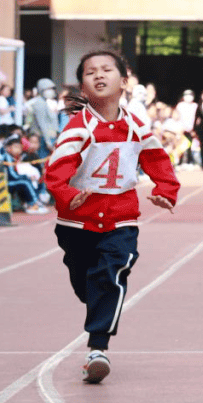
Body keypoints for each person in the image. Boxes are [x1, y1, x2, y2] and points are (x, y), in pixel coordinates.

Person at [45, 50, 179, 384]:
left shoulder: (136, 127)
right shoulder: (78, 129)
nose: (99, 75)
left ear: (124, 81)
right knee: (86, 285)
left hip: (121, 219)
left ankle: (97, 349)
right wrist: (69, 195)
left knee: (111, 272)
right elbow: (56, 170)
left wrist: (166, 189)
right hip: (76, 222)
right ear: (83, 85)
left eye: (107, 70)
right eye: (91, 72)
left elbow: (158, 160)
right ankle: (97, 304)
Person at [28, 79, 60, 157]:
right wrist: (48, 141)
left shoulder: (44, 102)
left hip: (48, 138)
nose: (51, 91)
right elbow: (42, 124)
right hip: (43, 139)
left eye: (52, 89)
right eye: (48, 89)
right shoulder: (39, 103)